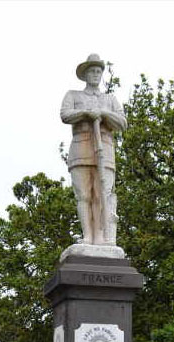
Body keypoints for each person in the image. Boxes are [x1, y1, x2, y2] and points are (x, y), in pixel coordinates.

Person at [60, 54, 127, 246]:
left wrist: (104, 113)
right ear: (85, 74)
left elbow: (122, 123)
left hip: (104, 150)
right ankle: (87, 236)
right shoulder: (73, 95)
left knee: (101, 194)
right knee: (84, 195)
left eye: (99, 71)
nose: (96, 75)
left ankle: (100, 236)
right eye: (92, 71)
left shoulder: (110, 100)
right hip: (81, 148)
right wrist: (85, 113)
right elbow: (65, 115)